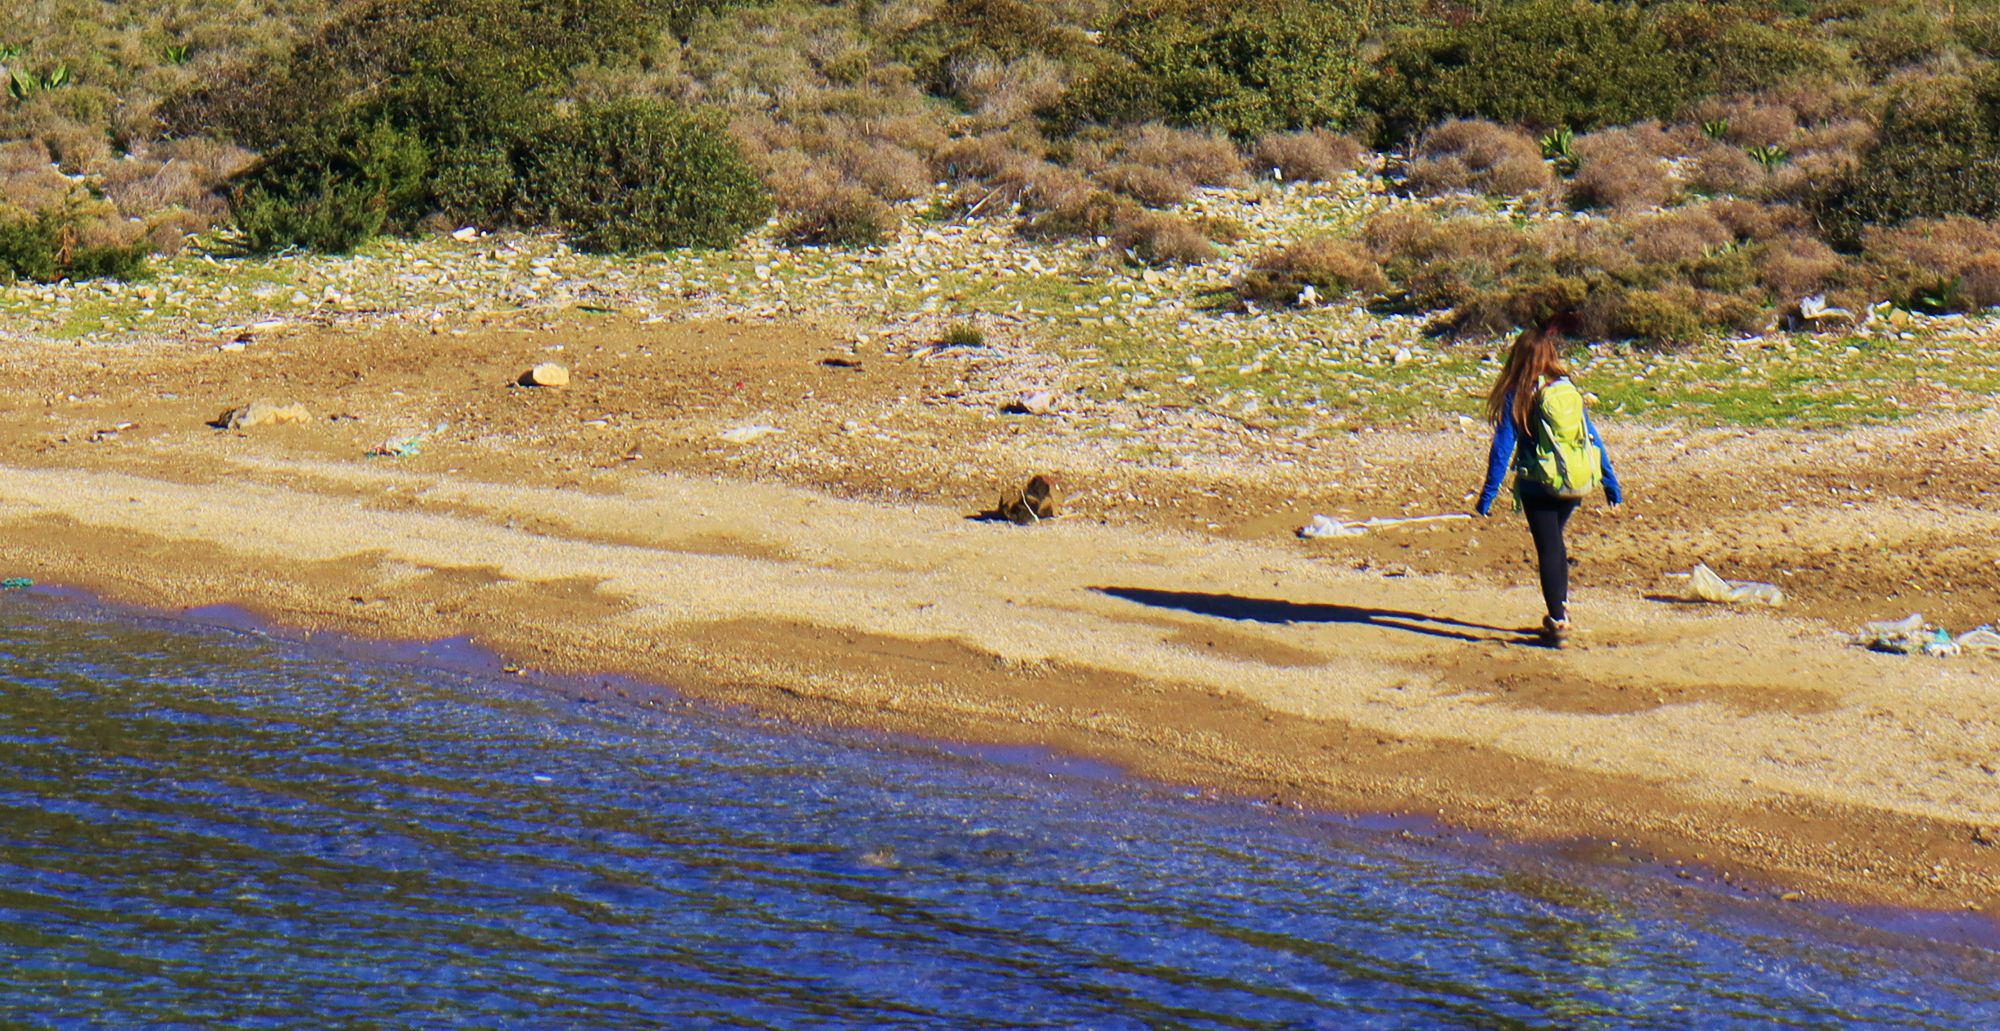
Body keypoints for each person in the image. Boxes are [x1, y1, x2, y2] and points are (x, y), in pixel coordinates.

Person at [1474, 317, 1621, 647]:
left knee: (1549, 547)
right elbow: (1592, 437)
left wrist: (1487, 496)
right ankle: (1560, 611)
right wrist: (1611, 483)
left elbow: (1502, 446)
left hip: (1538, 483)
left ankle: (1557, 621)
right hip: (1576, 482)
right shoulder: (1565, 388)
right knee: (1555, 543)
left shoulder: (1519, 393)